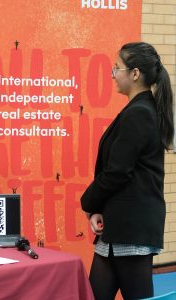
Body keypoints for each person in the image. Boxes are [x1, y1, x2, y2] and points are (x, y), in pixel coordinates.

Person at [81, 42, 174, 300]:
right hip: (119, 229)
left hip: (131, 229)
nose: (112, 74)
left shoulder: (140, 113)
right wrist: (98, 209)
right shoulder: (140, 110)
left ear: (135, 74)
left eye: (117, 68)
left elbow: (118, 172)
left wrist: (87, 202)